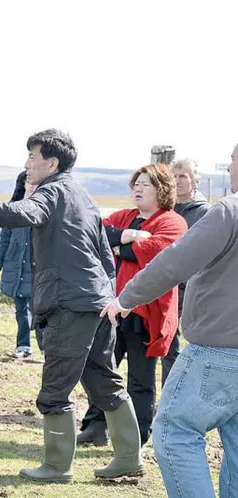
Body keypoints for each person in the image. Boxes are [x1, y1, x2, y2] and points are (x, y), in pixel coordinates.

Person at [0, 129, 143, 482]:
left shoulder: (53, 191)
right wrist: (108, 297)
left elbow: (20, 213)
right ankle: (128, 459)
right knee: (104, 381)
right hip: (97, 302)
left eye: (32, 157)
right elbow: (104, 251)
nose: (27, 164)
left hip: (70, 304)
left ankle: (57, 467)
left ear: (52, 163)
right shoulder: (82, 195)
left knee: (55, 390)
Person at [101, 143, 238, 498]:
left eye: (233, 161)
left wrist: (126, 298)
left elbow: (175, 261)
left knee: (175, 432)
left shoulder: (229, 212)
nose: (228, 170)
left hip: (219, 352)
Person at [76, 164, 187, 447]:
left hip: (146, 311)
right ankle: (96, 426)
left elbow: (155, 254)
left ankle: (136, 435)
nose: (138, 188)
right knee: (102, 369)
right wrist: (126, 239)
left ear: (162, 189)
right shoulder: (125, 217)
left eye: (146, 184)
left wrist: (119, 245)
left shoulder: (172, 222)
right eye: (136, 183)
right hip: (111, 308)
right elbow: (93, 232)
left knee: (141, 378)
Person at [162, 158, 210, 383]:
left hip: (189, 287)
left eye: (184, 176)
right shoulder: (164, 207)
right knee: (163, 341)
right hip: (163, 283)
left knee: (178, 344)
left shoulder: (205, 213)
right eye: (174, 175)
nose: (178, 180)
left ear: (196, 181)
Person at [0, 171, 43, 358]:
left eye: (34, 182)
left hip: (38, 266)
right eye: (27, 182)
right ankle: (23, 346)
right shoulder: (12, 208)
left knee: (40, 310)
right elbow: (4, 238)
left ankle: (45, 348)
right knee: (21, 309)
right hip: (15, 264)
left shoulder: (46, 207)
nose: (30, 185)